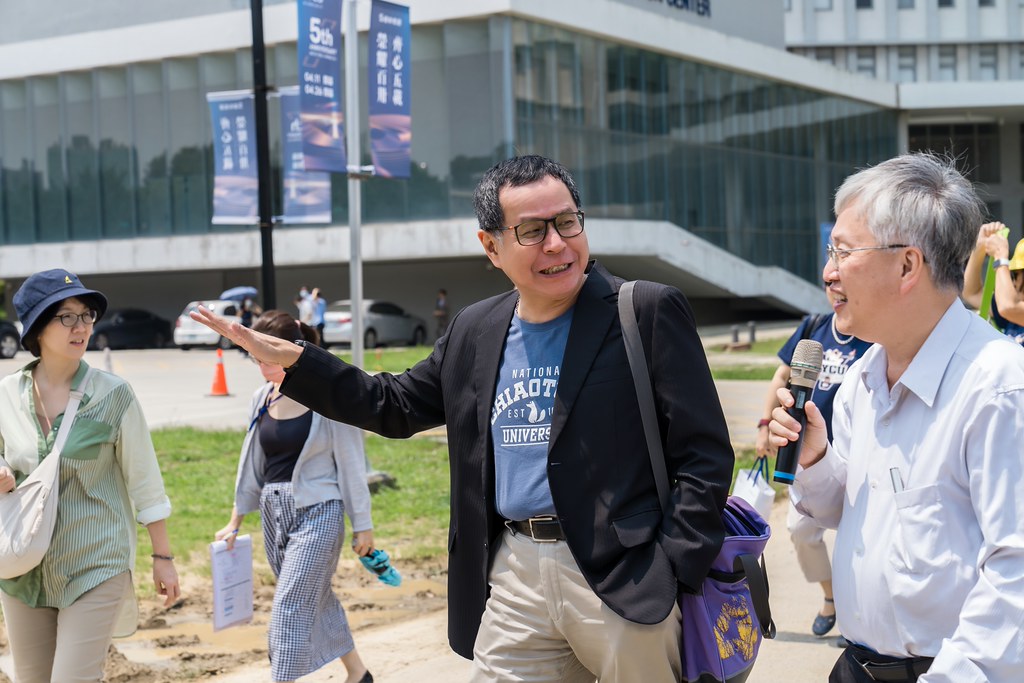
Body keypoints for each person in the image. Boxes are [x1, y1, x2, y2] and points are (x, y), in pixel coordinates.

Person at [192, 154, 734, 682]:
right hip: (515, 573)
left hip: (627, 576)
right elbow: (395, 404)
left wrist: (672, 568)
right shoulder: (477, 329)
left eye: (567, 222)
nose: (556, 244)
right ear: (491, 246)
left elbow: (703, 453)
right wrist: (301, 364)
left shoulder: (643, 311)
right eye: (532, 231)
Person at [768, 153, 1024, 683]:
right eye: (829, 250)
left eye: (843, 252)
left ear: (908, 265)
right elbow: (850, 512)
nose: (828, 272)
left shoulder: (999, 387)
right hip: (858, 665)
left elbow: (1015, 573)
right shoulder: (865, 376)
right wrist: (813, 457)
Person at [0, 269, 181, 683]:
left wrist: (164, 558)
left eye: (86, 315)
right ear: (37, 328)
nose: (81, 326)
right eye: (66, 316)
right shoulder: (6, 395)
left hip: (96, 563)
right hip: (22, 566)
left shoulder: (113, 395)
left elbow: (145, 481)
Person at [214, 310, 374, 683]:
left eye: (266, 356)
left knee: (289, 604)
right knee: (312, 595)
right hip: (274, 512)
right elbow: (252, 461)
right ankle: (358, 673)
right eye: (255, 357)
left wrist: (363, 526)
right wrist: (236, 518)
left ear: (290, 350)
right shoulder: (261, 398)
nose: (260, 365)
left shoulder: (327, 397)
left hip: (320, 511)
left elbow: (351, 463)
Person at [755, 299, 871, 639]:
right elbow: (781, 375)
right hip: (808, 457)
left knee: (861, 537)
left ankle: (860, 613)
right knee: (801, 530)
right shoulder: (814, 327)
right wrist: (765, 423)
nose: (832, 278)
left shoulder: (872, 333)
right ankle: (831, 595)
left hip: (856, 453)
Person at [961, 221, 1024, 345]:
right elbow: (971, 293)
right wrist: (980, 247)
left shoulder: (1012, 309)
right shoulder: (1014, 317)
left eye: (1016, 275)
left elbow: (1008, 307)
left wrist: (1000, 257)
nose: (1014, 282)